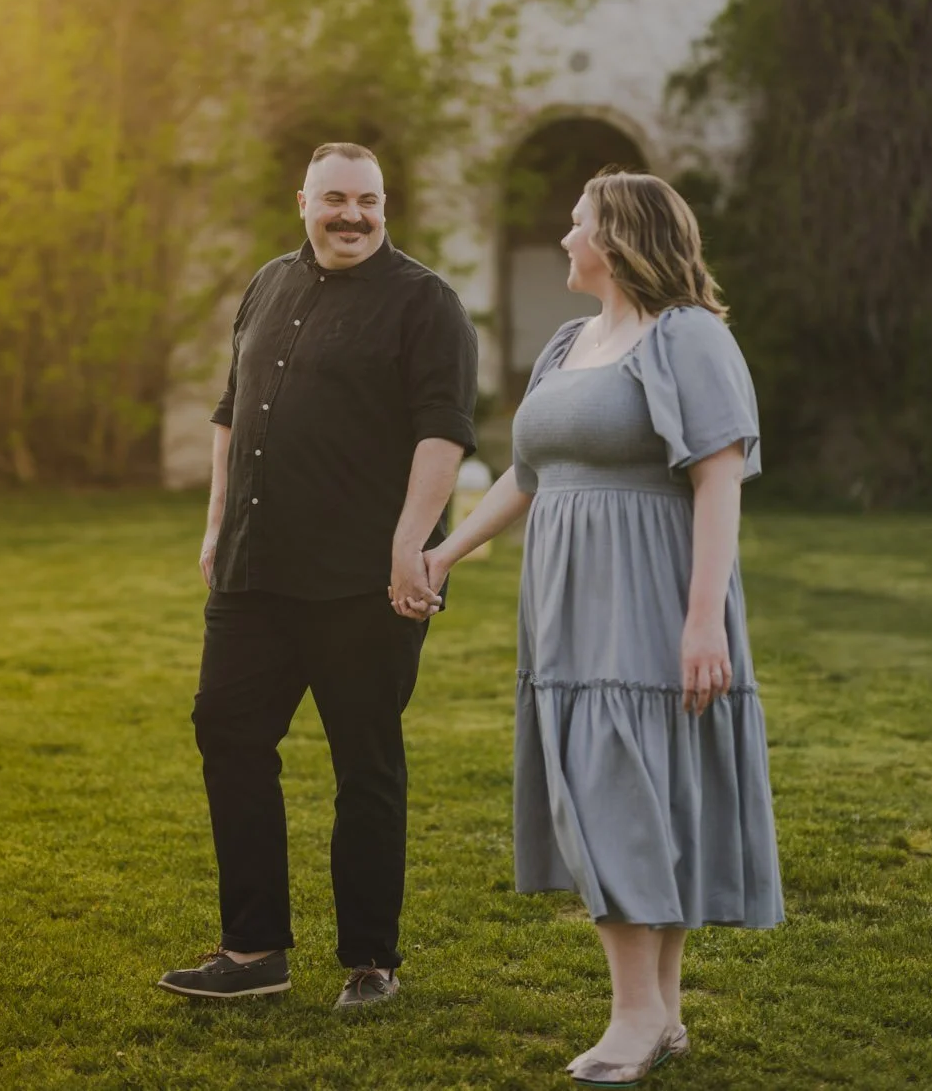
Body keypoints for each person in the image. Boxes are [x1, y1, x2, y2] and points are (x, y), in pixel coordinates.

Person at [409, 171, 783, 1084]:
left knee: (633, 788)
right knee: (620, 787)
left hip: (653, 594)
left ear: (613, 241)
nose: (566, 236)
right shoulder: (572, 341)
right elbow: (528, 473)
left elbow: (719, 479)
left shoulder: (688, 335)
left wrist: (703, 624)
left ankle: (636, 1014)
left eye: (576, 224)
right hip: (568, 608)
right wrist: (444, 552)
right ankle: (663, 1010)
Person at [159, 142, 478, 1010]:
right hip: (255, 572)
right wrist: (218, 523)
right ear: (303, 199)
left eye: (368, 201)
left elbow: (442, 434)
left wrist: (411, 545)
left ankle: (371, 962)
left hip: (362, 583)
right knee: (226, 731)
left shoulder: (426, 303)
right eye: (335, 198)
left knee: (365, 763)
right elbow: (233, 411)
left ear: (386, 206)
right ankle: (254, 948)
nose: (353, 215)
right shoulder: (268, 284)